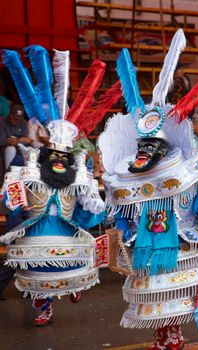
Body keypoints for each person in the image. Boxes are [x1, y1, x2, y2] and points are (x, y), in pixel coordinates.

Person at [99, 37, 198, 349]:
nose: (146, 152)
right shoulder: (127, 172)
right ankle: (166, 336)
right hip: (145, 241)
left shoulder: (183, 165)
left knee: (182, 289)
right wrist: (121, 224)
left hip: (182, 237)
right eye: (143, 146)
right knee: (155, 291)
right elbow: (122, 208)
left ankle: (184, 334)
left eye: (152, 146)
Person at [0, 46, 114, 326]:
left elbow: (91, 203)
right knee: (38, 272)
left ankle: (73, 288)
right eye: (56, 154)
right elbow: (11, 190)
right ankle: (45, 307)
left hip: (65, 226)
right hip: (37, 227)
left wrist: (101, 201)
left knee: (71, 264)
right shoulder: (32, 164)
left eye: (65, 155)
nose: (60, 160)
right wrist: (16, 199)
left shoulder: (77, 173)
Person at [0, 104, 32, 170]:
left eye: (18, 119)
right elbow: (1, 141)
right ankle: (8, 172)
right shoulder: (2, 121)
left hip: (20, 149)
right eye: (15, 118)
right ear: (10, 115)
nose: (17, 121)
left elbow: (26, 141)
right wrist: (9, 142)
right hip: (4, 149)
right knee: (11, 149)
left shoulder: (23, 123)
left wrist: (17, 141)